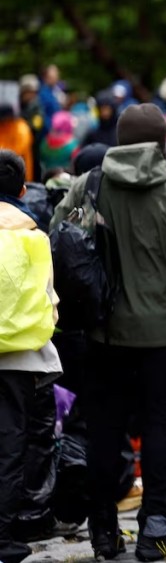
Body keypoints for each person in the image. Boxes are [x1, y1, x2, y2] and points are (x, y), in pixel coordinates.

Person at [51, 103, 166, 561]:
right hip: (163, 336)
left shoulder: (89, 185)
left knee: (104, 432)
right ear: (164, 143)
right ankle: (156, 530)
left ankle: (104, 532)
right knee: (161, 429)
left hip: (102, 334)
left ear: (120, 141)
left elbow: (58, 239)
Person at [0, 150, 63, 563]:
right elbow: (47, 299)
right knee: (9, 443)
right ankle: (3, 535)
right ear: (23, 189)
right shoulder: (33, 236)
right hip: (18, 356)